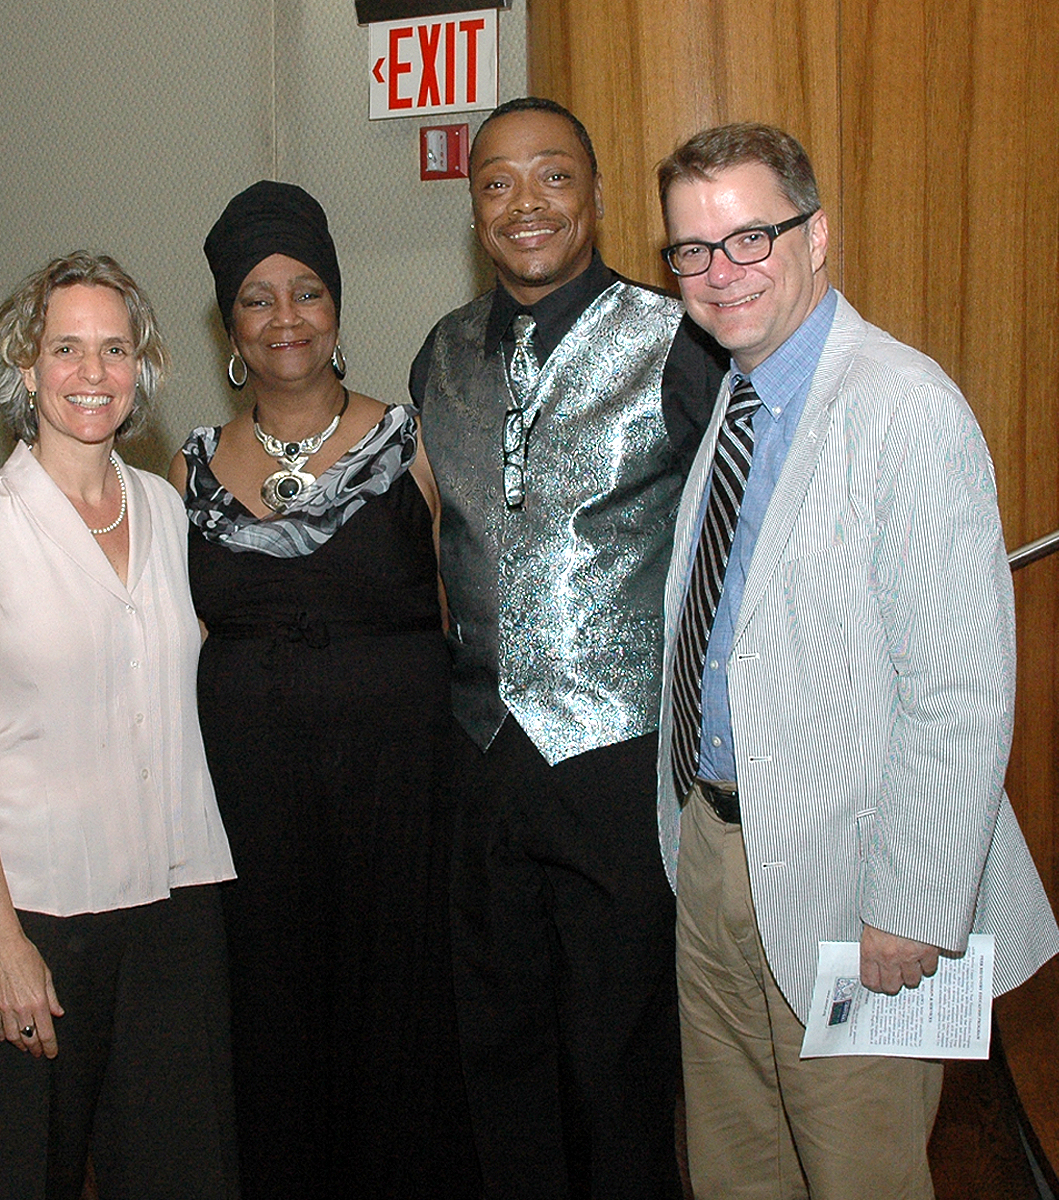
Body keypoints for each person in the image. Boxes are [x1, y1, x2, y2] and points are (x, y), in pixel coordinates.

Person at [654, 121, 1059, 1199]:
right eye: (691, 250)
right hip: (715, 855)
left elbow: (963, 689)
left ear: (816, 235)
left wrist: (916, 904)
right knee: (737, 1174)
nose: (719, 273)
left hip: (856, 888)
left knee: (861, 1178)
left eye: (749, 239)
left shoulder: (902, 406)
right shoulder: (737, 401)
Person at [410, 97, 726, 1199]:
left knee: (620, 1065)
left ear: (595, 195)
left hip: (617, 763)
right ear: (474, 209)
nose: (526, 203)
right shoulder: (441, 354)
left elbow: (731, 552)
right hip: (482, 756)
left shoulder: (681, 341)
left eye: (552, 176)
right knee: (497, 1056)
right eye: (497, 182)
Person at [171, 180, 478, 1199]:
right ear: (230, 324)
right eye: (258, 297)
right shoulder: (189, 472)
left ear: (337, 307)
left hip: (400, 802)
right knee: (268, 1023)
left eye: (306, 291)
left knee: (401, 1021)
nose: (286, 317)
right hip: (249, 809)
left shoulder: (417, 443)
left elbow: (470, 615)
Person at [0, 252, 238, 1200]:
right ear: (26, 369)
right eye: (66, 349)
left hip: (175, 900)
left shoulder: (171, 510)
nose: (92, 373)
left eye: (114, 349)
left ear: (141, 369)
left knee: (186, 1175)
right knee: (31, 1178)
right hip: (32, 909)